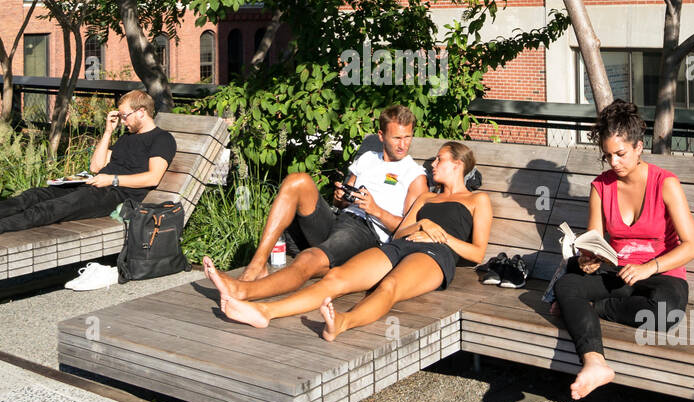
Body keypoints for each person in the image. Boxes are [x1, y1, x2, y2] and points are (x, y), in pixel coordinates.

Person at [206, 141, 492, 341]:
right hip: (401, 245)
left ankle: (343, 322)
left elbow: (478, 253)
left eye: (440, 159)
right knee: (336, 277)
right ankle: (264, 311)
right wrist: (420, 224)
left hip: (434, 255)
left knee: (389, 286)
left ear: (458, 164)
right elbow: (401, 232)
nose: (433, 164)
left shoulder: (477, 200)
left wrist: (437, 233)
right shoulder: (427, 197)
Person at [553, 100, 694, 401]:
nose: (614, 163)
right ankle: (594, 362)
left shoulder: (666, 184)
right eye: (607, 156)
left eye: (620, 154)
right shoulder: (600, 187)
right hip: (618, 273)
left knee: (667, 313)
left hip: (661, 275)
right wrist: (589, 261)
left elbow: (692, 246)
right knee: (567, 283)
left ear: (638, 146)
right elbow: (595, 242)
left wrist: (649, 267)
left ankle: (597, 308)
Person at [212, 104, 427, 302]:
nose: (403, 144)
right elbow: (344, 197)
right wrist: (341, 197)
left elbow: (409, 230)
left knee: (308, 258)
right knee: (298, 180)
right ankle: (257, 265)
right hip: (341, 219)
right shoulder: (368, 158)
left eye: (407, 137)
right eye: (396, 138)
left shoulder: (414, 175)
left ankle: (243, 291)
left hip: (366, 234)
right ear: (381, 135)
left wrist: (376, 211)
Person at [0, 90, 176, 255]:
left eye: (124, 116)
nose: (122, 120)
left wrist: (111, 179)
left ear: (141, 112)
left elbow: (153, 177)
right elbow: (95, 167)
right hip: (96, 184)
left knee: (49, 210)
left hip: (117, 195)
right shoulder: (126, 138)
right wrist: (108, 132)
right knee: (33, 196)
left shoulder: (161, 139)